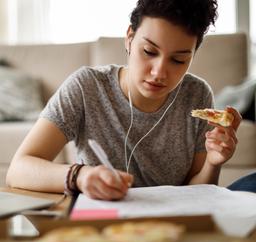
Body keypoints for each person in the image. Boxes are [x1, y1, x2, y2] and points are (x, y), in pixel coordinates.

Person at [6, 0, 243, 200]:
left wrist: (214, 162)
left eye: (178, 60)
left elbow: (198, 194)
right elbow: (18, 170)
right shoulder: (86, 87)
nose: (159, 72)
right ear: (129, 38)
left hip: (171, 226)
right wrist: (81, 176)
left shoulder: (197, 94)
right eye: (149, 52)